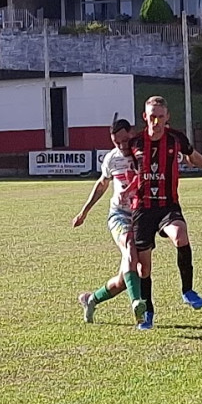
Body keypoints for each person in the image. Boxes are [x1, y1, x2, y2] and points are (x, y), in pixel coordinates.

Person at [131, 95, 202, 330]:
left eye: (160, 117)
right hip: (142, 210)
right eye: (152, 117)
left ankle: (187, 290)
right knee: (144, 267)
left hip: (168, 206)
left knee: (180, 235)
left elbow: (193, 156)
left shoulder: (176, 139)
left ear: (167, 117)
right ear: (145, 117)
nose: (156, 121)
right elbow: (119, 165)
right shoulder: (135, 143)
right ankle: (148, 312)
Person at [73, 118, 146, 326]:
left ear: (132, 133)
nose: (122, 146)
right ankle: (136, 304)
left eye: (125, 141)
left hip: (141, 217)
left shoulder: (143, 154)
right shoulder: (111, 159)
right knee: (130, 247)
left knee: (124, 280)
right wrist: (84, 212)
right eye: (117, 142)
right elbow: (102, 185)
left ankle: (91, 299)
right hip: (119, 216)